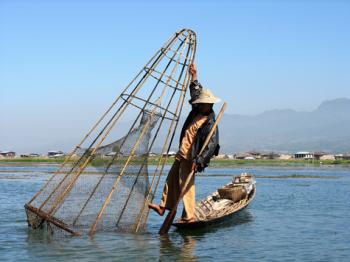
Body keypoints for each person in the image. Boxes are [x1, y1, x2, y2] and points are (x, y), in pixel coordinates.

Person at [148, 64, 220, 222]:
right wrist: (194, 76)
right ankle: (163, 207)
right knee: (171, 180)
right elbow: (195, 94)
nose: (199, 103)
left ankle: (189, 216)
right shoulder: (197, 110)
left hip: (192, 157)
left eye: (202, 103)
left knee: (186, 185)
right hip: (182, 153)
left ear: (209, 105)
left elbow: (211, 145)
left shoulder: (210, 123)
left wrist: (200, 161)